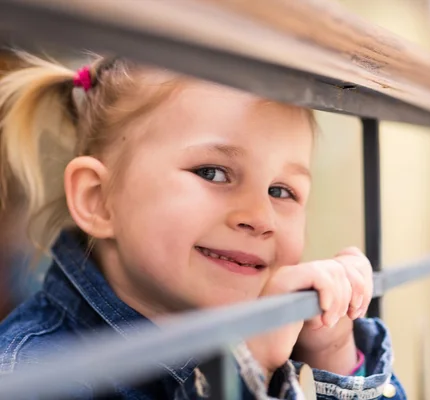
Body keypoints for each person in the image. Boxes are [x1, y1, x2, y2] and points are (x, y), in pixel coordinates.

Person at [0, 52, 406, 399]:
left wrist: (335, 351)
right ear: (98, 200)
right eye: (213, 172)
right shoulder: (31, 376)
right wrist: (247, 373)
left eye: (281, 191)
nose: (259, 218)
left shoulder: (248, 323)